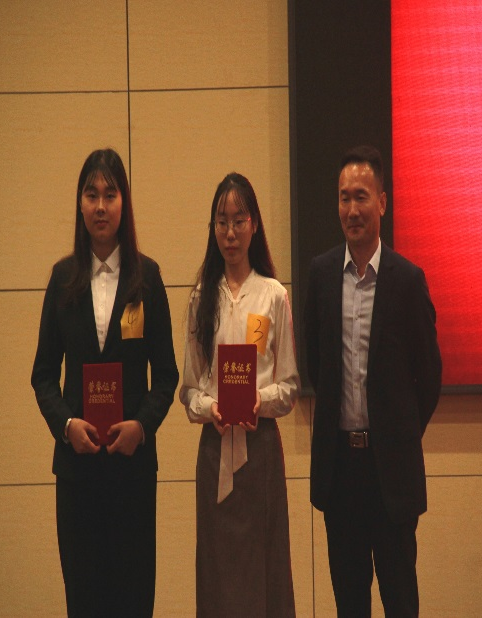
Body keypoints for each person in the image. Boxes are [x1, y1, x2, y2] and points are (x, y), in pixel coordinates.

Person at [31, 148, 179, 618]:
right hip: (77, 472)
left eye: (110, 195)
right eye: (91, 195)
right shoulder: (62, 279)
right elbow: (43, 375)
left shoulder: (147, 278)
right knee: (84, 599)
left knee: (133, 598)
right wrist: (66, 424)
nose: (100, 206)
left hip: (132, 470)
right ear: (80, 204)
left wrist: (142, 426)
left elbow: (167, 375)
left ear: (123, 204)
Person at [304, 145, 442, 617]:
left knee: (401, 601)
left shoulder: (408, 280)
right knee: (349, 604)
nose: (352, 209)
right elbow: (316, 364)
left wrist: (398, 433)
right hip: (340, 471)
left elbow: (430, 377)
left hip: (392, 475)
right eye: (344, 198)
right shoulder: (321, 275)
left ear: (382, 202)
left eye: (361, 197)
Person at [180, 173, 299, 618]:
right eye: (221, 221)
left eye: (239, 220)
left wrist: (258, 402)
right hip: (214, 451)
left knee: (265, 566)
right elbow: (189, 389)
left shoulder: (273, 296)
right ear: (213, 228)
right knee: (217, 571)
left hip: (260, 449)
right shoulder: (201, 298)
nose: (230, 233)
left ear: (254, 225)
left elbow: (289, 386)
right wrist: (208, 407)